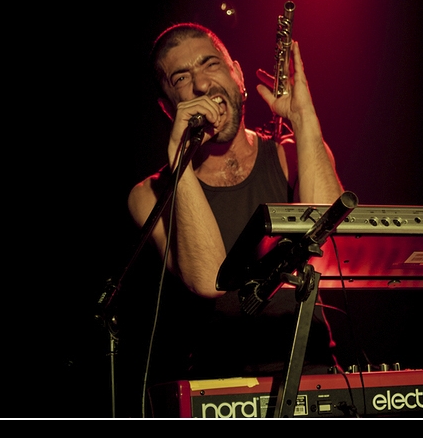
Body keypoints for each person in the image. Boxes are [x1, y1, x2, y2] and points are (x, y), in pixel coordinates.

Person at [125, 22, 345, 408]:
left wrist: (303, 117)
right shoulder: (150, 194)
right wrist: (180, 156)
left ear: (237, 76)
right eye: (181, 78)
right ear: (167, 106)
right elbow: (210, 279)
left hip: (314, 375)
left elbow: (333, 245)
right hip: (221, 392)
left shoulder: (290, 156)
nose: (201, 84)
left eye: (210, 64)